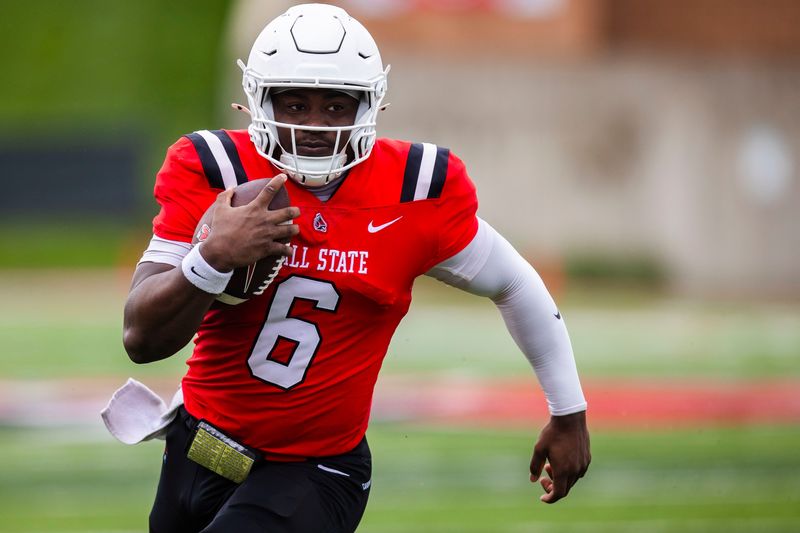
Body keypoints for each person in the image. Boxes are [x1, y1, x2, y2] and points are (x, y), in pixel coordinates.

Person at [115, 3, 590, 532]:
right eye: (294, 103)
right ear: (258, 99)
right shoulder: (214, 171)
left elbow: (514, 282)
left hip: (316, 469)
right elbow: (141, 337)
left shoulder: (415, 189)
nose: (314, 125)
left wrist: (568, 411)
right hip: (199, 446)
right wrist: (211, 258)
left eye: (337, 106)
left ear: (370, 107)